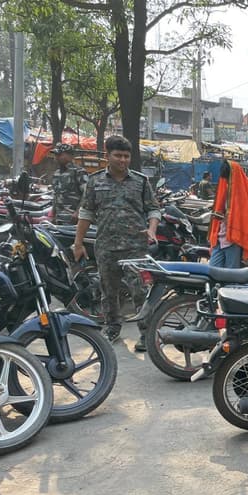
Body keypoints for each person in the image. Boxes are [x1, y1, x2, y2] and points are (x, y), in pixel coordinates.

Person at [73, 135, 161, 349]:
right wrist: (78, 243)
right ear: (107, 156)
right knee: (108, 292)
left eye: (126, 156)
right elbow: (86, 212)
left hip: (135, 247)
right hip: (106, 246)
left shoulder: (141, 181)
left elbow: (153, 209)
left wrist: (151, 229)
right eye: (118, 155)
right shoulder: (95, 181)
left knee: (140, 291)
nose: (123, 160)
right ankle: (112, 327)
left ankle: (147, 333)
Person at [208, 160, 248, 269]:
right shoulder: (224, 190)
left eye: (228, 178)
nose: (227, 181)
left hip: (234, 239)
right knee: (212, 270)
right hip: (219, 238)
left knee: (231, 273)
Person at [50, 143, 88, 224]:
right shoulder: (56, 174)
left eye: (59, 154)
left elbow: (87, 194)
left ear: (69, 156)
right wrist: (52, 214)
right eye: (55, 155)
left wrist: (78, 212)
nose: (56, 157)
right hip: (59, 218)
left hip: (73, 218)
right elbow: (56, 196)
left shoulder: (78, 172)